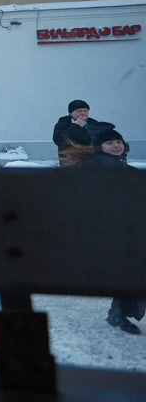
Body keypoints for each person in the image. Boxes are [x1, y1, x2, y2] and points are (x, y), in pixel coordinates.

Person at [77, 128, 144, 336]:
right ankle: (118, 313)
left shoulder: (120, 167)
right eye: (110, 143)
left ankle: (118, 312)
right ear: (99, 147)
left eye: (118, 142)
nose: (116, 146)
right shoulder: (101, 169)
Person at [53, 99, 115, 166]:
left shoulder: (93, 123)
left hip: (93, 163)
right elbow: (59, 141)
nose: (83, 113)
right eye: (79, 111)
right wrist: (76, 126)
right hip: (70, 163)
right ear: (71, 113)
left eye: (85, 111)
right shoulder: (63, 124)